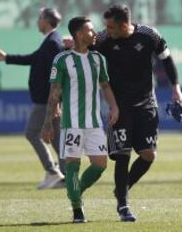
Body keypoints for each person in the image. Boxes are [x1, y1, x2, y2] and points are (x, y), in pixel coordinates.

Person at [96, 4, 182, 221]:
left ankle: (122, 188)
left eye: (110, 26)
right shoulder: (103, 40)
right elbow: (83, 50)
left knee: (148, 154)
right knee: (123, 154)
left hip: (146, 102)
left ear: (124, 25)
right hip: (119, 105)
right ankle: (123, 205)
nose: (106, 30)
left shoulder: (149, 35)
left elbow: (167, 59)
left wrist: (176, 88)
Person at [42, 16, 119, 223]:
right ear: (79, 34)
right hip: (72, 124)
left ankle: (74, 192)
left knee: (100, 165)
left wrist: (113, 106)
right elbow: (54, 92)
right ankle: (77, 209)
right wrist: (48, 122)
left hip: (94, 124)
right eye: (90, 30)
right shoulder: (62, 60)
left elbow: (105, 86)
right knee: (72, 167)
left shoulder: (98, 59)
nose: (94, 33)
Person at [0, 8, 65, 189]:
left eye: (39, 18)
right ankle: (67, 175)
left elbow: (59, 74)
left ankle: (53, 172)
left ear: (45, 20)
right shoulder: (50, 40)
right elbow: (32, 59)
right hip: (47, 99)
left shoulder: (53, 42)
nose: (37, 21)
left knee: (32, 133)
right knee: (55, 138)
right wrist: (6, 58)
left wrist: (57, 100)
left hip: (47, 101)